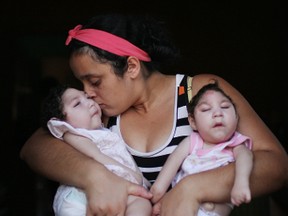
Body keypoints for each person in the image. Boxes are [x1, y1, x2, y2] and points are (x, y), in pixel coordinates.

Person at [20, 13, 288, 216]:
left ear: (132, 67)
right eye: (82, 84)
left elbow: (277, 164)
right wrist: (94, 175)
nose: (87, 93)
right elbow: (33, 147)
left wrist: (193, 188)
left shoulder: (200, 93)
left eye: (95, 81)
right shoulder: (100, 114)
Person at [40, 84, 152, 216]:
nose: (90, 103)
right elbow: (96, 156)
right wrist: (133, 176)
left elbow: (128, 160)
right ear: (60, 123)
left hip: (119, 189)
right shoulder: (73, 135)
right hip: (81, 195)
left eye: (87, 98)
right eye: (77, 104)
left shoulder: (104, 132)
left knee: (141, 204)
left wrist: (143, 181)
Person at [150, 81, 253, 216]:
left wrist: (241, 183)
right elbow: (171, 164)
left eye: (225, 107)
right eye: (206, 109)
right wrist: (157, 194)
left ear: (236, 117)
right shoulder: (192, 142)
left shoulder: (235, 145)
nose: (218, 113)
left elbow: (246, 158)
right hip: (179, 206)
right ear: (193, 122)